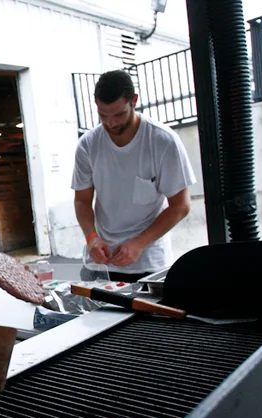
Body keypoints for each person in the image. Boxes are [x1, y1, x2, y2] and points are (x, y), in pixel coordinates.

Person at [71, 70, 196, 283]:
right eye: (103, 115)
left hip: (149, 263)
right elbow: (82, 201)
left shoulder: (162, 141)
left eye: (118, 115)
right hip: (101, 265)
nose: (110, 123)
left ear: (134, 101)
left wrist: (139, 243)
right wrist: (92, 238)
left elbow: (180, 206)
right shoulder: (88, 145)